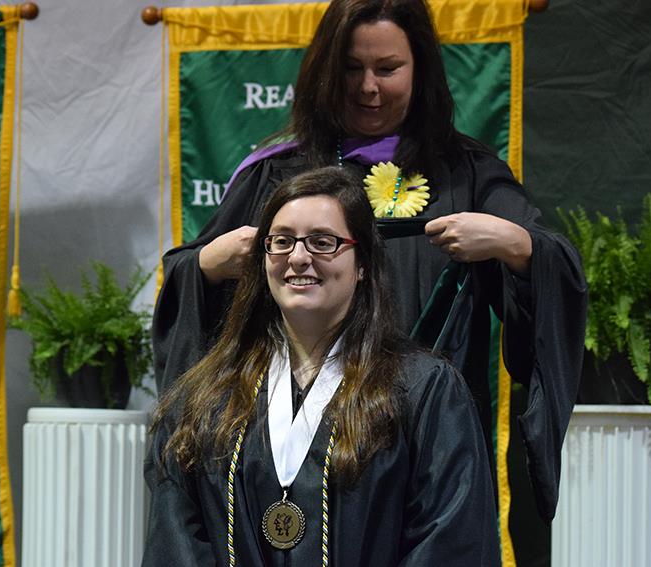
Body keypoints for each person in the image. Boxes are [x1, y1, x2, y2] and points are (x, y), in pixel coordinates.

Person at [152, 0, 587, 522]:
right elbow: (189, 291)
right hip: (287, 444)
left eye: (388, 68)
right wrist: (206, 265)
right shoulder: (278, 173)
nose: (368, 87)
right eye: (352, 68)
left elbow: (554, 264)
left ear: (419, 70)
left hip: (424, 440)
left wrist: (516, 244)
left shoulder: (466, 176)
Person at [143, 167, 500, 566]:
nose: (298, 257)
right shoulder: (207, 394)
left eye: (322, 242)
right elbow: (175, 538)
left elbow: (451, 542)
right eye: (281, 241)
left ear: (362, 263)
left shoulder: (423, 391)